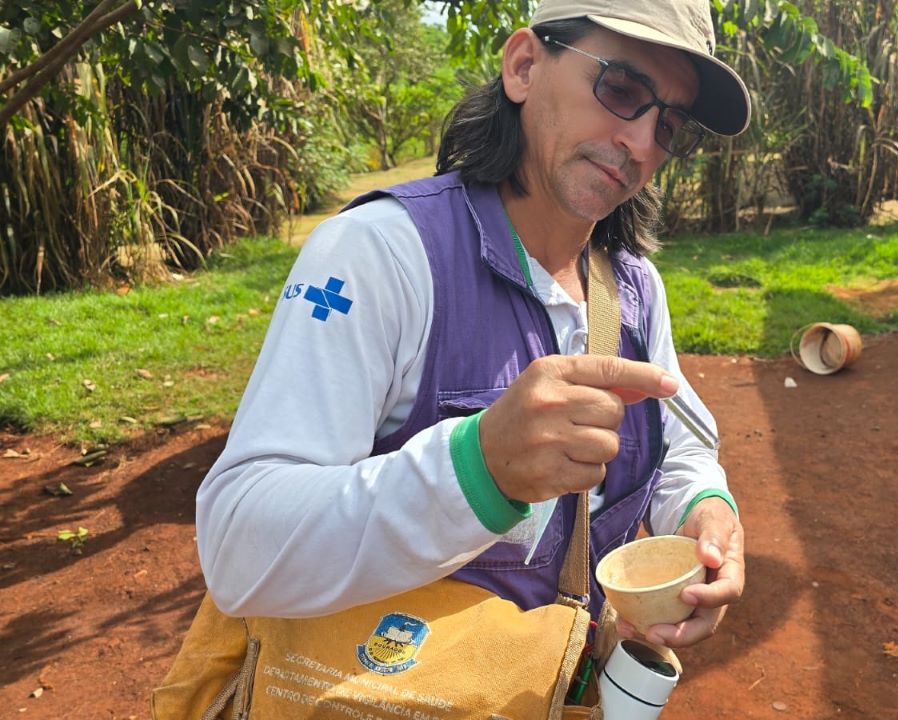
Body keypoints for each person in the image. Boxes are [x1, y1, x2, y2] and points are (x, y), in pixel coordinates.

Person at [195, 0, 750, 651]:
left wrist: (703, 510)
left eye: (671, 126)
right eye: (621, 89)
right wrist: (477, 470)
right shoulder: (379, 255)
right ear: (522, 66)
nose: (641, 144)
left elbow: (681, 442)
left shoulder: (635, 290)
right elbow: (239, 550)